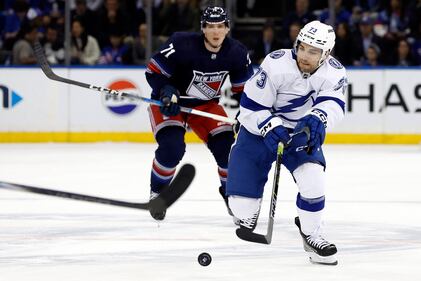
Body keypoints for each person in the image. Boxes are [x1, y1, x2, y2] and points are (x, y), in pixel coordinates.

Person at [225, 20, 347, 265]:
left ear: (326, 53)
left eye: (313, 51)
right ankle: (248, 206)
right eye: (302, 47)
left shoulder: (335, 72)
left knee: (314, 179)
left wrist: (318, 118)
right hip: (257, 131)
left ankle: (312, 232)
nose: (304, 55)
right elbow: (251, 107)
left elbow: (333, 105)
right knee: (242, 212)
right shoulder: (276, 62)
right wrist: (269, 124)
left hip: (298, 133)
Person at [145, 6, 253, 220]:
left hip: (205, 106)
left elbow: (246, 93)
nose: (215, 32)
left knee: (228, 150)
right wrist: (166, 91)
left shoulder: (237, 53)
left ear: (227, 29)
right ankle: (157, 193)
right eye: (210, 26)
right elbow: (154, 72)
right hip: (171, 103)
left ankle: (231, 197)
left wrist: (246, 114)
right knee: (172, 148)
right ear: (203, 28)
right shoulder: (180, 44)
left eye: (220, 26)